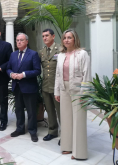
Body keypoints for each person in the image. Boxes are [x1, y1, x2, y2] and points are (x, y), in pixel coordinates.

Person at [54, 29, 91, 160]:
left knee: (79, 121)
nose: (66, 40)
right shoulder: (61, 55)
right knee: (66, 119)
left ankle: (79, 152)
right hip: (64, 89)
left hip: (78, 90)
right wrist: (57, 91)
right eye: (65, 38)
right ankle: (67, 147)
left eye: (69, 37)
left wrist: (84, 94)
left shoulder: (82, 54)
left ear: (75, 39)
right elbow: (58, 75)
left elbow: (87, 75)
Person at [6, 33, 41, 142]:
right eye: (17, 40)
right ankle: (20, 129)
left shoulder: (33, 54)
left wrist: (23, 74)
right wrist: (11, 74)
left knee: (31, 111)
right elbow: (8, 68)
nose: (19, 42)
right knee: (19, 109)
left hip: (29, 87)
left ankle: (32, 131)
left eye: (21, 40)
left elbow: (37, 71)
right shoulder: (13, 54)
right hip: (17, 87)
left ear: (27, 41)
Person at [39, 29, 61, 142]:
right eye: (43, 36)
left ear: (53, 36)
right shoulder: (42, 52)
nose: (44, 38)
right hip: (46, 86)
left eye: (47, 36)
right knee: (50, 110)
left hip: (58, 87)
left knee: (61, 112)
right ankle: (52, 131)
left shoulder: (61, 49)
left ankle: (65, 134)